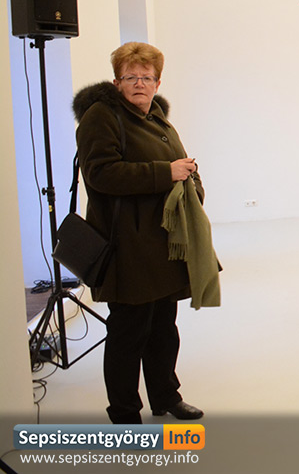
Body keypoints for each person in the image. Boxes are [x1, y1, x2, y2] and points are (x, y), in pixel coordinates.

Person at [73, 42, 209, 423]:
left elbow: (180, 163)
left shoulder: (157, 117)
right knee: (128, 333)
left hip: (163, 244)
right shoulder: (101, 117)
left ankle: (165, 395)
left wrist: (193, 186)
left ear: (157, 82)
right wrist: (165, 173)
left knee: (164, 328)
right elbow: (101, 174)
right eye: (130, 76)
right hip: (128, 246)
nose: (139, 84)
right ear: (117, 81)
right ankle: (124, 413)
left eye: (146, 77)